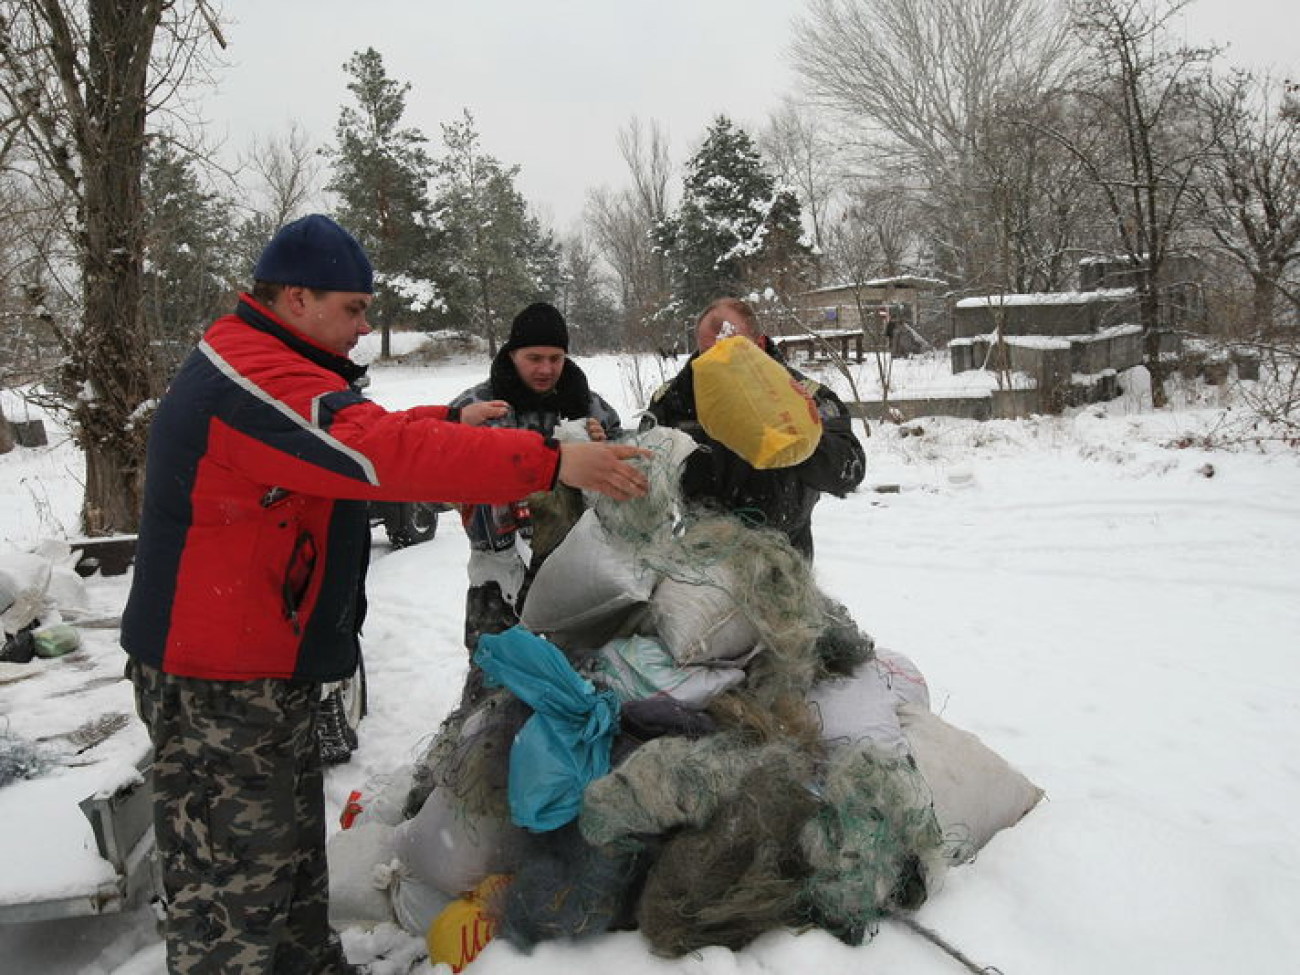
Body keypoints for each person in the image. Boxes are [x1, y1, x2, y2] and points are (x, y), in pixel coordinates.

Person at [119, 214, 648, 975]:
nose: (365, 330)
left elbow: (348, 430)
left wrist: (444, 420)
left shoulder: (278, 364)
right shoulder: (252, 374)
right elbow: (373, 451)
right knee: (233, 894)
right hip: (216, 681)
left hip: (260, 666)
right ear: (296, 297)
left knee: (288, 862)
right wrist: (550, 461)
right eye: (354, 309)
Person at [449, 301, 622, 653]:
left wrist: (606, 447)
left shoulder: (591, 408)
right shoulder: (476, 406)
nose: (546, 369)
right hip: (499, 574)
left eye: (555, 358)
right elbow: (431, 487)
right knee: (495, 677)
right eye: (534, 358)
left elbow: (629, 476)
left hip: (579, 568)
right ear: (513, 354)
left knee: (580, 677)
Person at [643, 297, 866, 560]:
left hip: (785, 560)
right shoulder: (674, 401)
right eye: (709, 357)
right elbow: (645, 479)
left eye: (732, 355)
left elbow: (849, 472)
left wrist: (803, 435)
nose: (719, 369)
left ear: (758, 345)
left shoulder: (804, 395)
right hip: (702, 564)